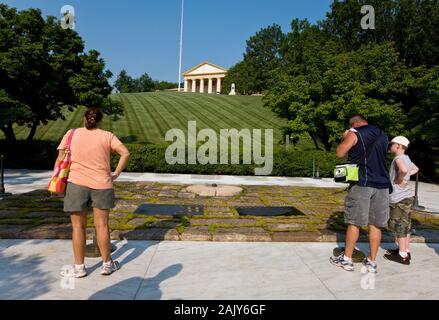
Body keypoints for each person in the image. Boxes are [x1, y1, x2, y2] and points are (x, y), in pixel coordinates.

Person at [57, 108, 130, 278]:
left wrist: (57, 182)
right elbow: (125, 153)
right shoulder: (107, 135)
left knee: (77, 226)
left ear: (85, 119)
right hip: (102, 184)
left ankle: (79, 267)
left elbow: (60, 159)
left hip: (76, 184)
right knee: (102, 226)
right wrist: (116, 173)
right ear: (100, 121)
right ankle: (107, 264)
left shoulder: (71, 134)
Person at [330, 115, 391, 273]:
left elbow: (340, 152)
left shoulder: (355, 132)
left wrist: (345, 138)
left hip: (362, 182)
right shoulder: (383, 135)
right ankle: (371, 262)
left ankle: (347, 259)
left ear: (353, 124)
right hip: (383, 184)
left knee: (354, 222)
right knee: (376, 225)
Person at [384, 136, 419, 265]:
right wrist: (405, 179)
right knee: (406, 224)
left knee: (399, 225)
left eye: (392, 144)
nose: (390, 146)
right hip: (407, 197)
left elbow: (404, 170)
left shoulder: (398, 158)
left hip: (399, 197)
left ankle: (402, 256)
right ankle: (405, 249)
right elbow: (415, 169)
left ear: (398, 146)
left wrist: (399, 180)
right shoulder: (407, 158)